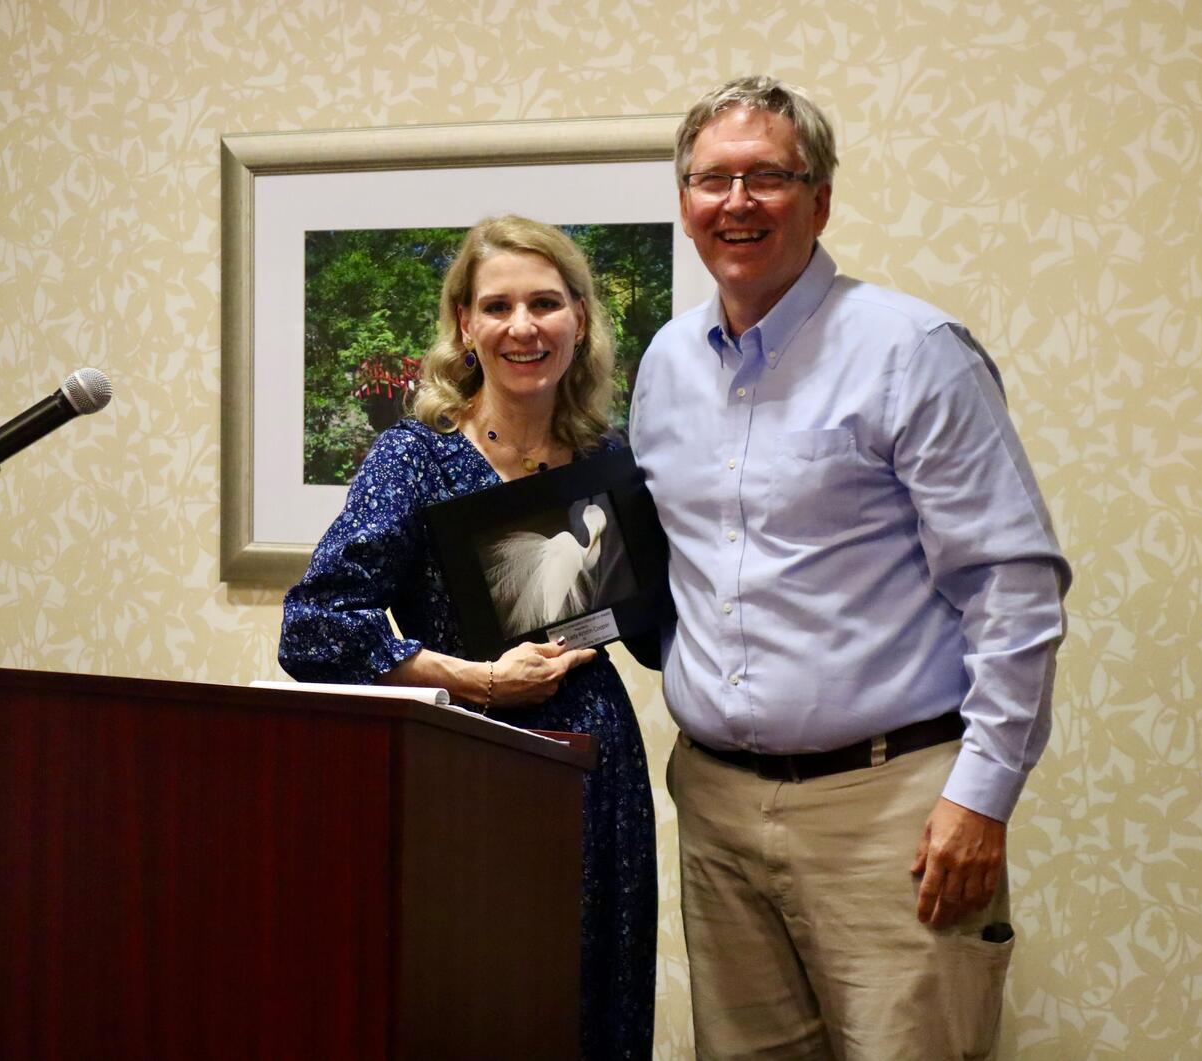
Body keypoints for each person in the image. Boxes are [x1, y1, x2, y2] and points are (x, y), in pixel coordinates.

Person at [630, 76, 1072, 1059]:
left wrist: (981, 793)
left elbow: (1012, 586)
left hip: (892, 811)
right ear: (684, 199)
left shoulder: (911, 353)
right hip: (716, 806)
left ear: (819, 199)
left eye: (767, 177)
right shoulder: (664, 363)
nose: (735, 202)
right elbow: (675, 564)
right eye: (711, 180)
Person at [280, 215, 656, 1060]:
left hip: (601, 779)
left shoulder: (610, 456)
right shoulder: (413, 458)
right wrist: (480, 679)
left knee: (596, 1007)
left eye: (546, 303)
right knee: (477, 1001)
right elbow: (314, 629)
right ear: (464, 324)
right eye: (499, 306)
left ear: (581, 319)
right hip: (467, 774)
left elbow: (654, 628)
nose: (523, 327)